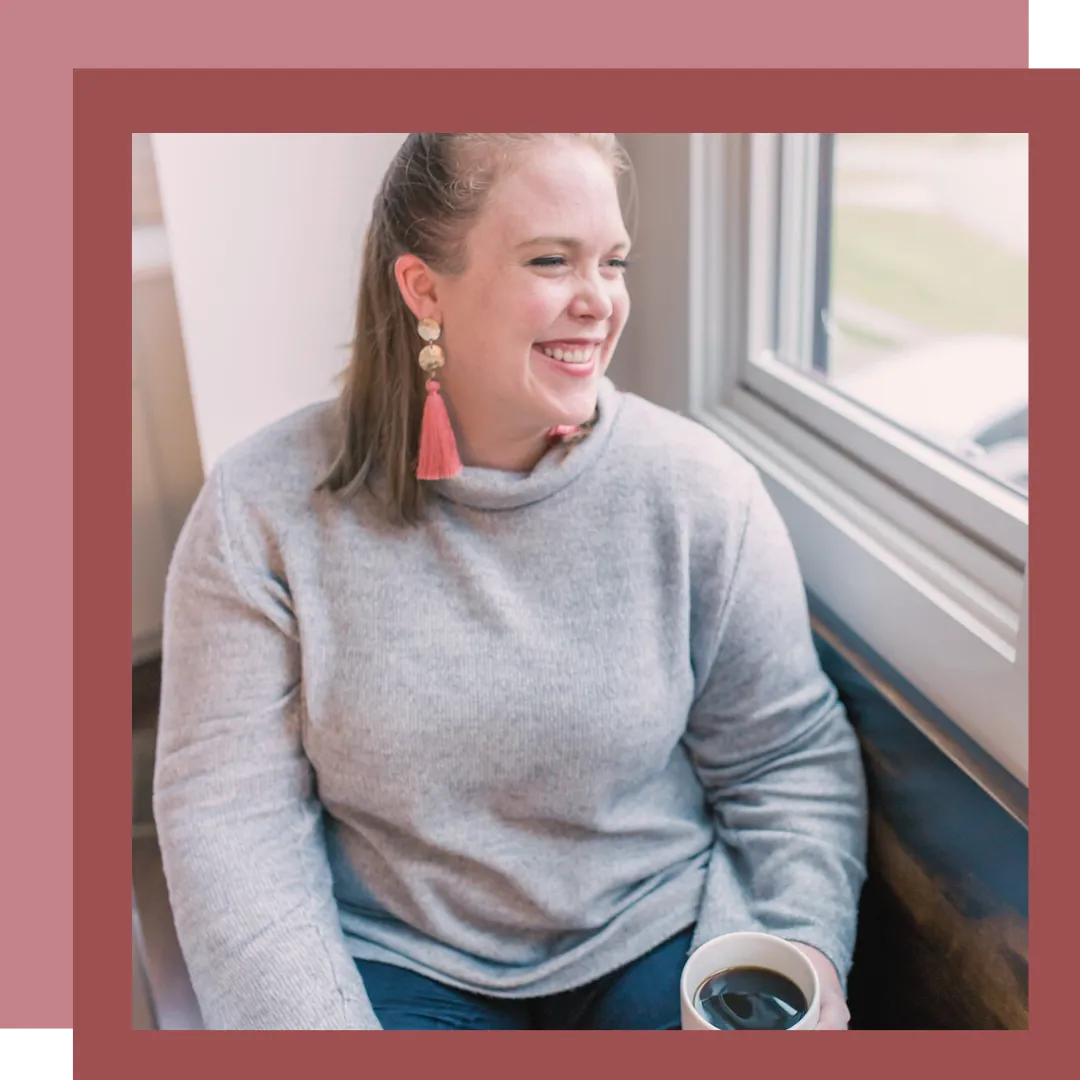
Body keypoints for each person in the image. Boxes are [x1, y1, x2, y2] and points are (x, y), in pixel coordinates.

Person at [154, 132, 868, 1031]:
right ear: (424, 289)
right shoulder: (260, 509)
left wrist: (790, 951)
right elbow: (228, 818)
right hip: (396, 960)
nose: (599, 302)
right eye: (549, 260)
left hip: (655, 936)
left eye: (612, 262)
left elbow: (785, 755)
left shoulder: (699, 491)